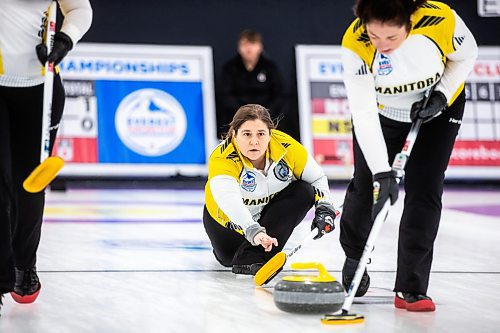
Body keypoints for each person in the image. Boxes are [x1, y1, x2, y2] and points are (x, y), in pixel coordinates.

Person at [339, 0, 477, 311]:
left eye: (391, 38)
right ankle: (354, 255)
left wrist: (442, 94)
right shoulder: (354, 43)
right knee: (365, 187)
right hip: (382, 113)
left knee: (425, 189)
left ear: (409, 23)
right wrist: (381, 172)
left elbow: (466, 54)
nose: (382, 45)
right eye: (375, 37)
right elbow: (362, 111)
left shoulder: (440, 19)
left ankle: (411, 287)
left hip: (437, 110)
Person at [0, 0, 92, 314]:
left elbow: (81, 9)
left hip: (39, 86)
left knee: (28, 184)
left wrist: (65, 40)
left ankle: (24, 264)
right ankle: (1, 274)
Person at [204, 104, 337, 275]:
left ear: (270, 134)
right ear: (234, 135)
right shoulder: (222, 158)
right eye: (247, 134)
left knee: (305, 191)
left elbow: (317, 178)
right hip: (228, 223)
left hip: (266, 219)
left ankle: (254, 256)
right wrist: (253, 230)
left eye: (261, 134)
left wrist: (325, 208)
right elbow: (229, 200)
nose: (254, 141)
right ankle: (249, 251)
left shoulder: (287, 147)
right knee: (229, 259)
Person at [217, 30, 285, 137]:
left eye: (252, 44)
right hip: (236, 119)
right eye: (244, 44)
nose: (248, 48)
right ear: (239, 47)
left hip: (266, 119)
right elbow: (224, 94)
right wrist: (243, 114)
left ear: (260, 46)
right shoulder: (230, 68)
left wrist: (264, 114)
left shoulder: (270, 68)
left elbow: (280, 94)